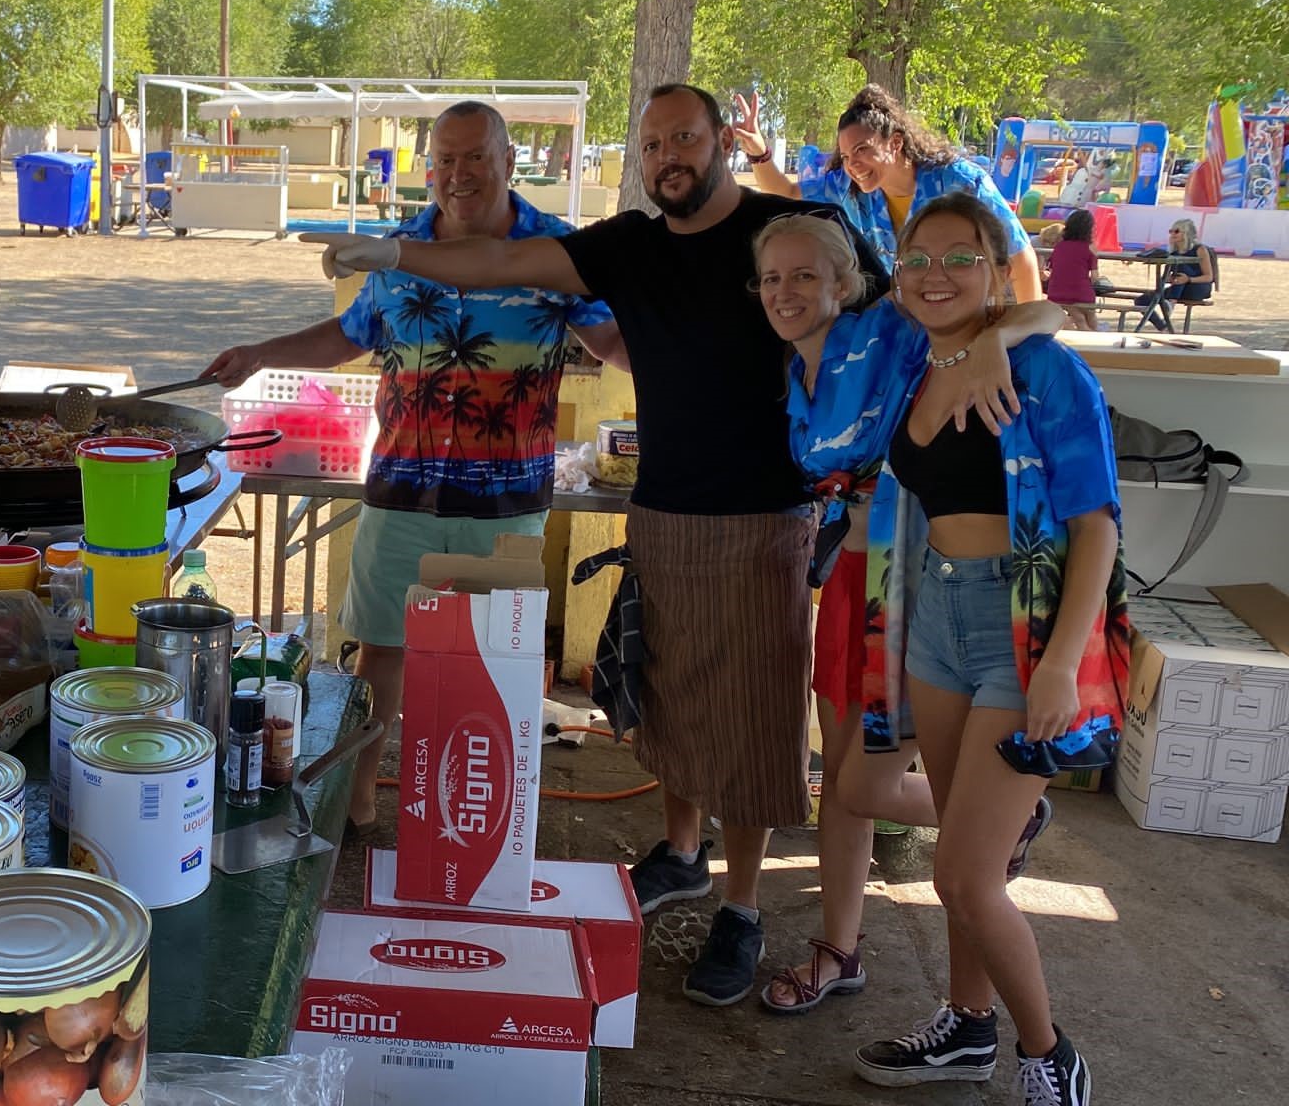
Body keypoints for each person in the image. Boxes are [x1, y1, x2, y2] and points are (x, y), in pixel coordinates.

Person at [302, 84, 1018, 1008]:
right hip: (663, 510)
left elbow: (919, 304)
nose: (666, 156)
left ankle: (743, 906)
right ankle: (682, 852)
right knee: (669, 702)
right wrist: (394, 252)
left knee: (755, 723)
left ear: (721, 140)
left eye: (684, 137)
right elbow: (503, 258)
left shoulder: (787, 232)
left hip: (767, 517)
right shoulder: (630, 244)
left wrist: (1003, 333)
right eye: (651, 145)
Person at [202, 100, 619, 836]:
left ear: (508, 160)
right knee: (382, 654)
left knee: (492, 664)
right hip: (402, 492)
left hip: (506, 503)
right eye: (445, 160)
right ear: (430, 169)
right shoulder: (397, 253)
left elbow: (611, 344)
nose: (460, 174)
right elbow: (348, 335)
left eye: (476, 157)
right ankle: (361, 802)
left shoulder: (557, 252)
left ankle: (480, 817)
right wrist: (260, 353)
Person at [849, 192, 1127, 1105]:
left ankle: (1049, 1053)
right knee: (962, 868)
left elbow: (1095, 525)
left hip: (1023, 626)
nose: (936, 275)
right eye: (918, 259)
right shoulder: (909, 362)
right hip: (934, 616)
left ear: (998, 267)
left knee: (964, 878)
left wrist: (1061, 665)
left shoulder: (1045, 370)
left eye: (960, 257)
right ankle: (968, 1028)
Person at [750, 216, 1062, 1017]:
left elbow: (1045, 311)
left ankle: (1000, 826)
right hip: (848, 580)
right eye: (772, 278)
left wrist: (997, 340)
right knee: (844, 780)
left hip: (917, 580)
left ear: (845, 284)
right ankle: (839, 947)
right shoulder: (793, 374)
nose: (786, 292)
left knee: (869, 780)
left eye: (805, 275)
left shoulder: (886, 332)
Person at [733, 86, 1042, 305]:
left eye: (862, 150)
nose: (853, 164)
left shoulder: (959, 181)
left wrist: (1032, 340)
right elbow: (787, 192)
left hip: (969, 318)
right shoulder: (850, 189)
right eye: (846, 156)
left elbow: (1021, 258)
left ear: (895, 143)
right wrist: (758, 153)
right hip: (906, 329)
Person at [1135, 217, 1215, 331]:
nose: (1172, 234)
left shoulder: (1199, 249)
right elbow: (1166, 277)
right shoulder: (1173, 252)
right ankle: (1163, 327)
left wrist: (1188, 279)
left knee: (1180, 265)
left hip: (1197, 288)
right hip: (1179, 288)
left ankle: (1171, 302)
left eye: (1176, 231)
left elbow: (1209, 277)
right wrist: (1168, 279)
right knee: (1141, 300)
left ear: (1186, 233)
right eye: (1171, 231)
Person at [1045, 210, 1100, 332]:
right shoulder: (1089, 247)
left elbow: (1053, 269)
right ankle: (1094, 337)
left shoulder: (1059, 246)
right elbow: (1095, 277)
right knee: (1090, 317)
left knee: (1079, 318)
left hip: (1056, 292)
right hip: (1080, 292)